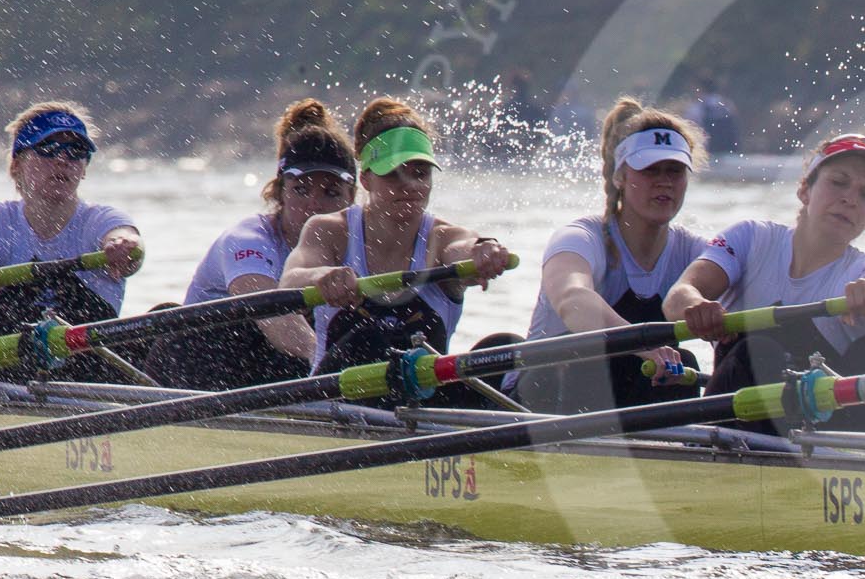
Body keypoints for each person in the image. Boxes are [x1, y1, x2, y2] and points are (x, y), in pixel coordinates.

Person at [664, 132, 865, 433]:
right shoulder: (752, 238)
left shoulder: (864, 270)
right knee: (760, 350)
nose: (850, 199)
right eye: (838, 182)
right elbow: (677, 297)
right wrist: (697, 307)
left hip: (831, 438)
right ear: (804, 190)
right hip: (741, 426)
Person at [281, 97, 513, 382]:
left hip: (424, 407)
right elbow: (290, 280)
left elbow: (463, 247)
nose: (411, 185)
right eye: (393, 174)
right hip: (339, 404)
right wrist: (323, 277)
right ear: (365, 179)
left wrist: (482, 251)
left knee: (505, 346)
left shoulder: (443, 237)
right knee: (374, 337)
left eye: (420, 173)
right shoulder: (330, 230)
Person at [509, 100, 711, 413]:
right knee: (589, 360)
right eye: (650, 170)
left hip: (621, 401)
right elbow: (572, 298)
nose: (664, 181)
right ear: (620, 176)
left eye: (675, 170)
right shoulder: (580, 238)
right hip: (537, 398)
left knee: (682, 365)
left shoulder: (695, 252)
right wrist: (645, 345)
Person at [143, 100, 358, 390]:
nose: (314, 205)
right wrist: (322, 359)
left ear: (352, 198)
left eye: (331, 193)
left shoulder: (361, 246)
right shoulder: (247, 239)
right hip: (197, 366)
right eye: (301, 190)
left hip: (267, 374)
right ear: (281, 192)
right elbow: (270, 314)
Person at [0, 103, 146, 383]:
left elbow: (128, 242)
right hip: (10, 364)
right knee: (21, 297)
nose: (63, 160)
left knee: (164, 315)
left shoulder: (101, 219)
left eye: (76, 153)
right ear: (17, 164)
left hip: (89, 366)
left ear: (85, 169)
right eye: (48, 149)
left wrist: (123, 248)